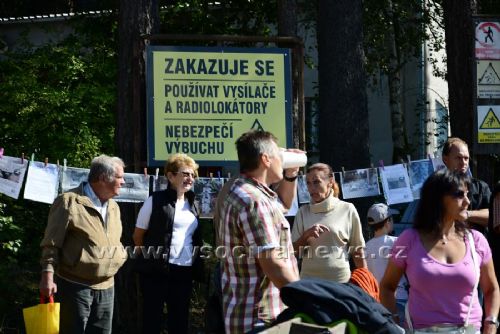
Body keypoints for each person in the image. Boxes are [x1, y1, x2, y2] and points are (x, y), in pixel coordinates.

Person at [380, 170, 500, 333]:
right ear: (437, 199)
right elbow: (387, 286)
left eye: (467, 194)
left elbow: (491, 288)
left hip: (468, 329)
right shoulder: (407, 240)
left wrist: (491, 323)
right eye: (459, 194)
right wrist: (393, 322)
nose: (467, 201)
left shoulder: (476, 241)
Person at [219, 130, 299, 334]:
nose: (283, 159)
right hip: (260, 320)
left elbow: (282, 206)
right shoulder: (255, 201)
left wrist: (291, 174)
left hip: (250, 316)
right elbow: (272, 263)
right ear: (265, 159)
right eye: (279, 154)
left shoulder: (246, 191)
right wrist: (307, 297)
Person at [39, 155, 127, 334]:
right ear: (103, 178)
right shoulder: (69, 201)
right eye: (120, 177)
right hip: (75, 286)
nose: (124, 182)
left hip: (107, 286)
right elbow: (51, 242)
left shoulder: (114, 207)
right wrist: (47, 275)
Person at [133, 153, 203, 334]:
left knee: (180, 321)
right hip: (156, 271)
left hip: (184, 271)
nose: (190, 178)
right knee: (152, 320)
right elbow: (138, 235)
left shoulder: (193, 203)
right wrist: (149, 259)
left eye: (193, 175)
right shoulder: (155, 200)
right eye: (185, 174)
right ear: (171, 176)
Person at [291, 163, 366, 283]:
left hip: (340, 282)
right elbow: (293, 252)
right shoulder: (302, 212)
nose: (311, 188)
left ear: (330, 182)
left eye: (316, 182)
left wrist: (366, 280)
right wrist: (306, 236)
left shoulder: (347, 209)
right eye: (308, 183)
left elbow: (357, 250)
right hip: (309, 283)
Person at [365, 203, 407, 324]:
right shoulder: (396, 242)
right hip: (399, 298)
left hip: (376, 303)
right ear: (388, 221)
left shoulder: (365, 247)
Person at [442, 137, 491, 234]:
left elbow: (494, 216)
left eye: (466, 158)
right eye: (458, 158)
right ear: (445, 159)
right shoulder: (436, 187)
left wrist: (466, 214)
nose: (463, 162)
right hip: (443, 244)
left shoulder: (481, 187)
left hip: (475, 245)